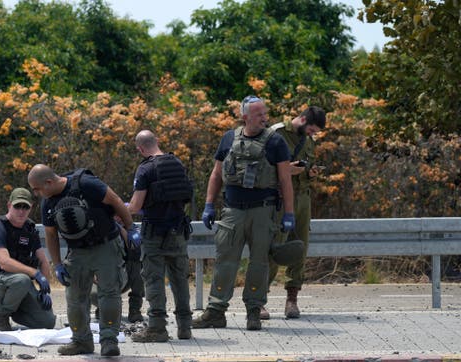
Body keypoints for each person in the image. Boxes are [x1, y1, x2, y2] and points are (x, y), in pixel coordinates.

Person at [192, 95, 295, 331]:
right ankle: (216, 311)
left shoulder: (275, 142)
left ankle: (254, 312)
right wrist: (209, 204)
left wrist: (289, 213)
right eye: (258, 115)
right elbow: (216, 174)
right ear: (245, 116)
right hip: (233, 212)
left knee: (259, 263)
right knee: (225, 262)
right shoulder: (229, 138)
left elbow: (285, 179)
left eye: (264, 114)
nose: (264, 118)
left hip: (263, 210)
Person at [27, 164, 140, 357]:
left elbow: (116, 201)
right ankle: (81, 341)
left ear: (48, 182)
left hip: (105, 245)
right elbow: (51, 235)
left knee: (109, 295)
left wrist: (131, 228)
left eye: (37, 189)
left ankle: (109, 341)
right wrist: (58, 265)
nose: (36, 194)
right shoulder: (48, 203)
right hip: (77, 252)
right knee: (75, 299)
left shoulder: (86, 184)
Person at [127, 130, 194, 342]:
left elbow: (136, 206)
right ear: (157, 142)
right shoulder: (177, 164)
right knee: (180, 279)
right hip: (178, 230)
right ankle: (185, 327)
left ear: (140, 149)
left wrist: (120, 208)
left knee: (153, 279)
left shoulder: (145, 169)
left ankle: (157, 328)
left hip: (154, 232)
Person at [263, 106, 326, 319]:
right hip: (279, 200)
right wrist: (287, 169)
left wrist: (310, 171)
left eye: (315, 132)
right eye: (311, 129)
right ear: (302, 119)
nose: (312, 134)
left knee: (301, 247)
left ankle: (292, 299)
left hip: (302, 199)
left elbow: (305, 169)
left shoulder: (309, 141)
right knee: (274, 248)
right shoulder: (275, 134)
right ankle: (259, 300)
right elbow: (263, 166)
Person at [0, 188, 56, 331]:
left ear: (30, 208)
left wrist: (44, 291)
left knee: (47, 322)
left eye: (25, 207)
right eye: (17, 206)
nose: (21, 211)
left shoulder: (30, 230)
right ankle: (1, 315)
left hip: (19, 284)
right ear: (9, 205)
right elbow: (4, 262)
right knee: (22, 279)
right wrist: (34, 273)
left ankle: (16, 308)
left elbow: (43, 261)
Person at [90, 221, 145, 323]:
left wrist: (120, 228)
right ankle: (103, 307)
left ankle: (134, 310)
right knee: (93, 292)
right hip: (102, 277)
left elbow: (134, 250)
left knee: (137, 268)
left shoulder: (131, 230)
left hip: (124, 275)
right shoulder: (97, 227)